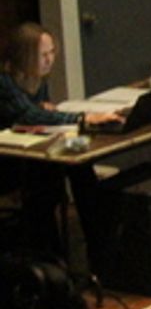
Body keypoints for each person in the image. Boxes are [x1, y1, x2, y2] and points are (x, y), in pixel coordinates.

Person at [0, 23, 122, 258]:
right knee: (44, 181)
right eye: (42, 55)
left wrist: (45, 111)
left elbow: (41, 111)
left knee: (81, 166)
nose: (49, 60)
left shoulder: (38, 80)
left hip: (34, 150)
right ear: (24, 56)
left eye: (51, 52)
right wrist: (82, 117)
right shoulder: (5, 83)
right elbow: (30, 114)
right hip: (10, 161)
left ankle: (99, 245)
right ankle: (50, 253)